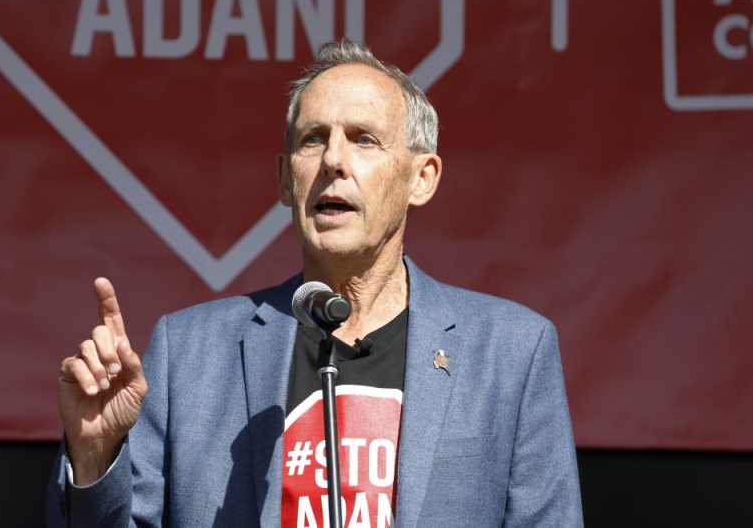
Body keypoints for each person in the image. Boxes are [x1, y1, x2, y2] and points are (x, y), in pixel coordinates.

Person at [47, 39, 583, 527]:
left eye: (364, 139)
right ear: (285, 178)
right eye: (313, 140)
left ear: (422, 178)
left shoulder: (512, 352)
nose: (333, 160)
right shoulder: (189, 354)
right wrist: (95, 460)